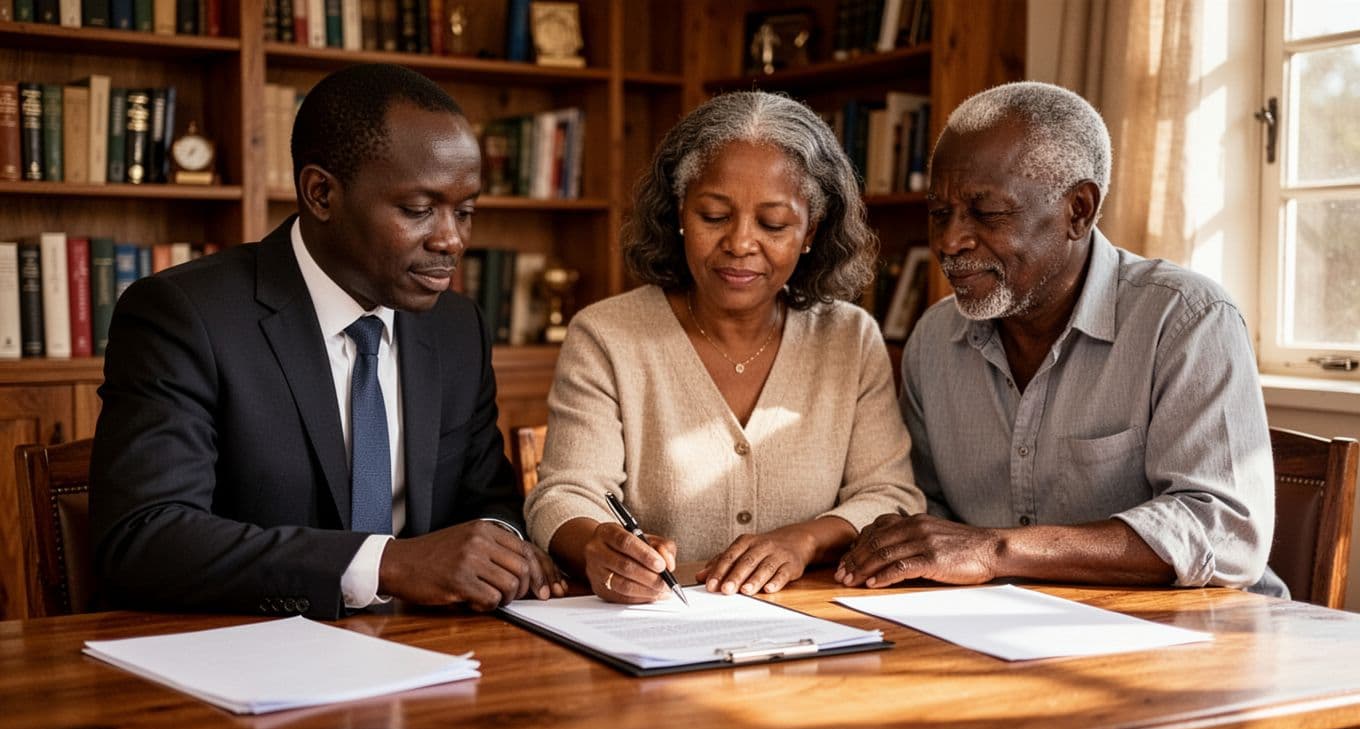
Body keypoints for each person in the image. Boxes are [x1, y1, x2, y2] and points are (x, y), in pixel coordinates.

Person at [90, 63, 565, 619]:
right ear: (321, 194)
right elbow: (145, 538)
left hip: (430, 657)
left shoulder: (457, 327)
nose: (452, 239)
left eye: (464, 211)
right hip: (243, 661)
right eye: (418, 210)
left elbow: (488, 504)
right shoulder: (185, 315)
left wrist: (503, 551)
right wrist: (385, 564)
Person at [837, 81, 1284, 596]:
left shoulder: (1187, 320)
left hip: (1195, 641)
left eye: (986, 213)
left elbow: (1225, 532)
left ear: (1078, 210)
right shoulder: (935, 341)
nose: (949, 241)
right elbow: (925, 514)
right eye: (939, 214)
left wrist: (993, 549)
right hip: (1005, 634)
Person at [525, 91, 925, 604]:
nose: (740, 243)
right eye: (714, 216)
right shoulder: (607, 336)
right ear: (679, 213)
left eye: (774, 224)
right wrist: (598, 546)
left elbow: (891, 496)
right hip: (655, 629)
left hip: (812, 630)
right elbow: (564, 494)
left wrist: (804, 540)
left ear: (810, 232)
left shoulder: (850, 338)